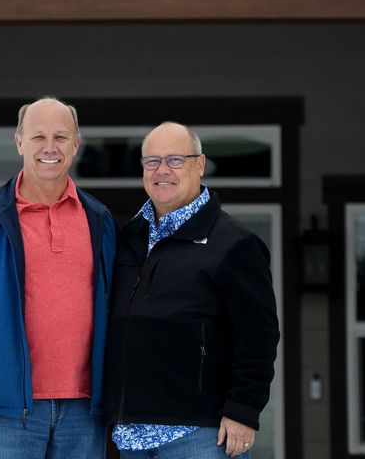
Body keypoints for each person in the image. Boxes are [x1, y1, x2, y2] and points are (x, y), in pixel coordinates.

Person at [0, 96, 116, 458]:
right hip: (5, 411)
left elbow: (118, 310)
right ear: (19, 143)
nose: (50, 147)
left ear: (76, 145)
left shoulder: (100, 220)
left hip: (83, 408)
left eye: (61, 137)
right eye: (38, 137)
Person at [105, 122, 280, 458]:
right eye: (152, 162)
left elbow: (259, 335)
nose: (162, 171)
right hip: (131, 435)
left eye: (175, 160)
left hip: (199, 433)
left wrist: (243, 410)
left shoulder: (233, 244)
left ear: (199, 165)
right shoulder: (128, 240)